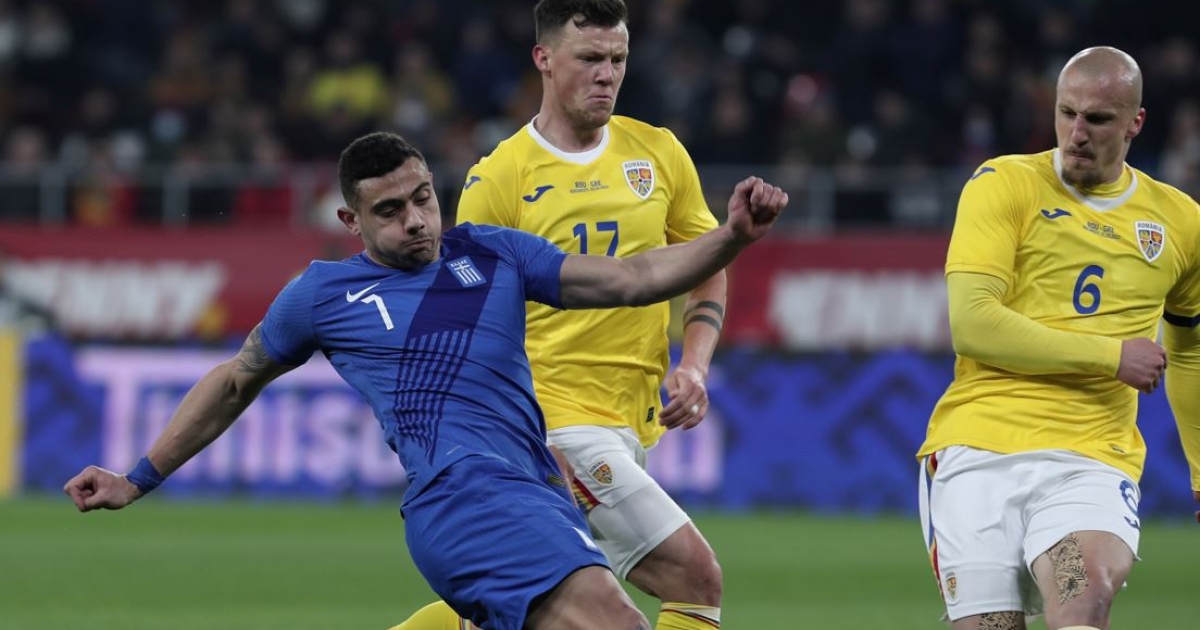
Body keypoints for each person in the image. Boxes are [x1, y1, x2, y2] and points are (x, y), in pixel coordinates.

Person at [62, 131, 788, 630]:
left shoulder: (494, 254)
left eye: (422, 198)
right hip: (465, 498)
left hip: (537, 491)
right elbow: (233, 382)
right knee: (615, 622)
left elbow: (632, 279)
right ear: (350, 220)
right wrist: (138, 478)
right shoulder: (322, 294)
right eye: (390, 210)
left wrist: (730, 238)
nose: (416, 220)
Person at [397, 2, 729, 629]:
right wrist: (518, 441)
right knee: (694, 576)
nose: (607, 74)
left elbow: (708, 261)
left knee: (530, 608)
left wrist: (696, 363)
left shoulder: (658, 153)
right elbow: (466, 329)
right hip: (556, 426)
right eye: (590, 58)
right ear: (544, 60)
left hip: (631, 421)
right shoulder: (500, 177)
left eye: (618, 59)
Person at [917, 46, 1200, 630]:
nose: (1076, 134)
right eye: (1066, 113)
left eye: (1097, 120)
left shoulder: (1179, 223)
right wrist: (1111, 355)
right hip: (977, 456)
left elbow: (1190, 350)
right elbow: (973, 323)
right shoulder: (1004, 184)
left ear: (1135, 123)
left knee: (1081, 597)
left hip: (1086, 464)